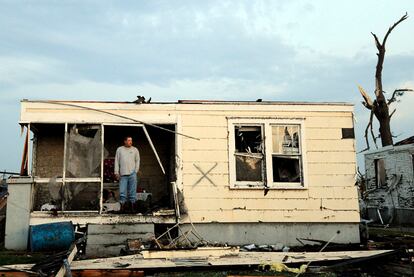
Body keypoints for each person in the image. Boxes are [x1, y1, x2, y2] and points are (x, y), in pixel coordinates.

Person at [114, 136, 140, 212]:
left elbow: (137, 161)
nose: (130, 142)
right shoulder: (120, 149)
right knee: (122, 192)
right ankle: (122, 207)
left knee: (132, 191)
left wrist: (136, 171)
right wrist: (116, 172)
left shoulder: (135, 150)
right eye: (129, 140)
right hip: (123, 174)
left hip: (132, 174)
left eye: (131, 140)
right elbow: (116, 161)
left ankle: (133, 207)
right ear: (124, 141)